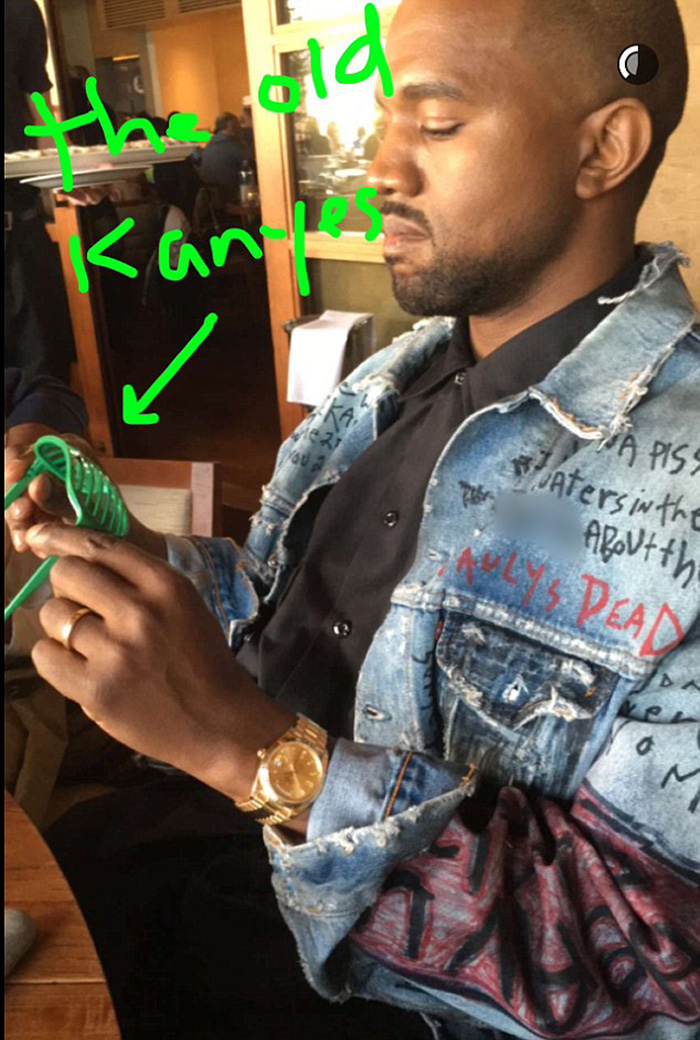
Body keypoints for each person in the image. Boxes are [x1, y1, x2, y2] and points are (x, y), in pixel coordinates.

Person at [5, 1, 699, 1039]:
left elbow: (648, 974)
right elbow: (283, 613)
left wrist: (248, 751)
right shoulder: (389, 379)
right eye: (382, 120)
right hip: (185, 848)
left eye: (436, 123)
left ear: (602, 148)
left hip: (387, 996)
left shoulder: (682, 489)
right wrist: (138, 556)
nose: (378, 168)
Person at [5, 0, 75, 384]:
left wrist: (72, 173)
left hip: (19, 232)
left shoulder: (17, 9)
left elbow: (41, 113)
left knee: (43, 383)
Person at [199, 111, 248, 191]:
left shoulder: (209, 145)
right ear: (230, 127)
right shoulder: (235, 146)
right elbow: (249, 167)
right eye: (237, 125)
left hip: (211, 194)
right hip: (232, 192)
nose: (240, 129)